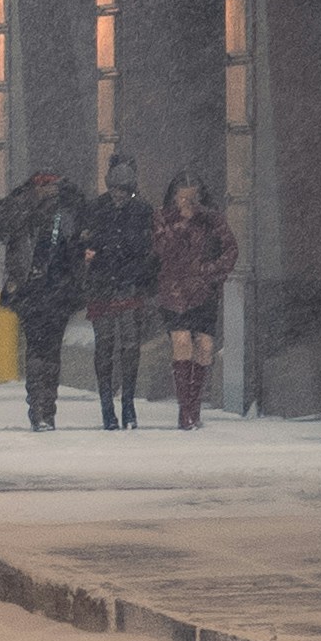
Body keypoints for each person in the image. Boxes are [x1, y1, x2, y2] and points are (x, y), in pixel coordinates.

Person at [0, 168, 84, 431]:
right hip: (32, 289)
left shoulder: (65, 211)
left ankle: (47, 408)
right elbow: (5, 227)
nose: (49, 192)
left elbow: (75, 240)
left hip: (58, 289)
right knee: (38, 349)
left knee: (50, 352)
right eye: (45, 187)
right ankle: (38, 408)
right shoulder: (20, 209)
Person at [79, 152, 164, 432]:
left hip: (129, 285)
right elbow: (80, 245)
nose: (118, 195)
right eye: (114, 189)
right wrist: (87, 255)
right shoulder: (95, 209)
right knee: (105, 345)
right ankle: (107, 405)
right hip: (102, 286)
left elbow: (149, 253)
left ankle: (127, 402)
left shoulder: (142, 212)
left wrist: (144, 279)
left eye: (123, 190)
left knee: (129, 346)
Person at [152, 178, 238, 432]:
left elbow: (231, 251)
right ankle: (184, 408)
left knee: (204, 346)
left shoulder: (213, 220)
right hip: (173, 290)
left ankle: (195, 403)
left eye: (192, 198)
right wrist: (182, 224)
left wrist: (209, 272)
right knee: (181, 341)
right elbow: (161, 250)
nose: (186, 203)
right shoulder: (163, 219)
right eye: (181, 197)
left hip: (203, 291)